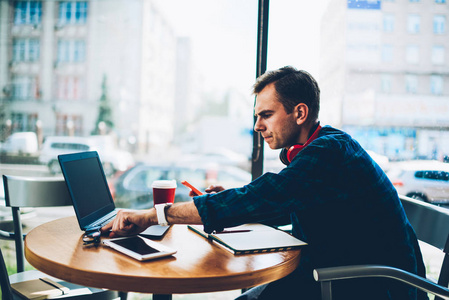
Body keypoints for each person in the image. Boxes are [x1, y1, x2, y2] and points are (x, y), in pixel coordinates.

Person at [102, 66, 427, 300]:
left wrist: (152, 215)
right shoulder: (321, 150)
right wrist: (231, 200)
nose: (257, 126)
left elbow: (266, 195)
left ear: (300, 113)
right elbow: (277, 201)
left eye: (266, 115)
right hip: (341, 272)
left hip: (369, 286)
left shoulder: (327, 152)